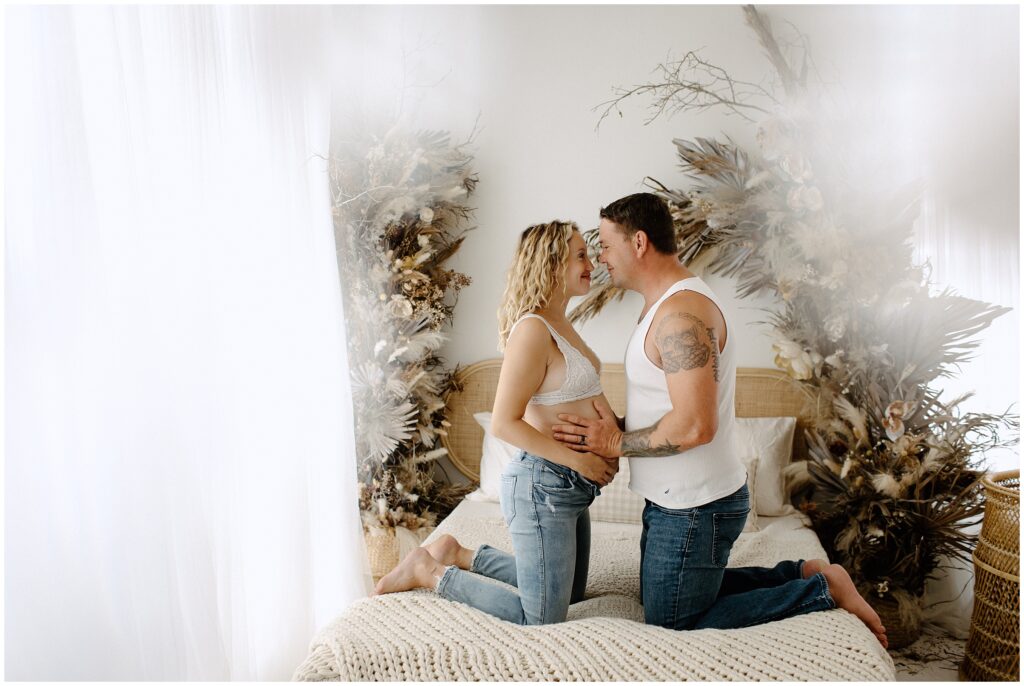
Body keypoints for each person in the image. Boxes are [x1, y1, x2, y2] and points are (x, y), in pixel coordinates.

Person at [551, 193, 888, 647]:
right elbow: (668, 411)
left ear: (639, 242)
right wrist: (613, 428)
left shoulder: (680, 315)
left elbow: (694, 426)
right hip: (677, 500)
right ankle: (804, 571)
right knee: (667, 597)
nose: (601, 259)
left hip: (694, 508)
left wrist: (614, 444)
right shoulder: (664, 305)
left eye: (606, 246)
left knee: (673, 621)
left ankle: (820, 589)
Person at [374, 220, 618, 625]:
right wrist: (581, 460)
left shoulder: (563, 325)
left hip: (572, 488)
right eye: (581, 255)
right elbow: (505, 423)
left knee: (572, 594)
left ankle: (460, 554)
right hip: (544, 487)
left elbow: (585, 400)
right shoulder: (532, 330)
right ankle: (430, 570)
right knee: (541, 617)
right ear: (553, 262)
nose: (591, 262)